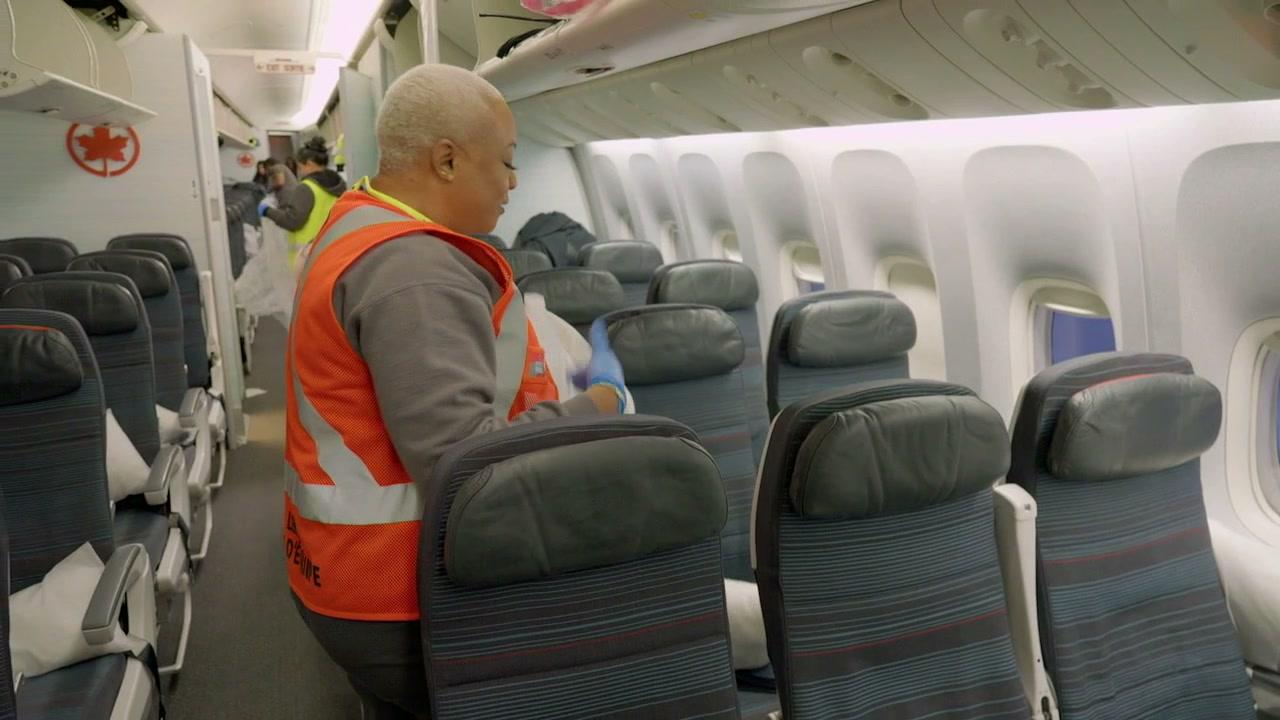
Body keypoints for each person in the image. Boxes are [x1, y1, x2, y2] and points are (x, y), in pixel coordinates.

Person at [284, 64, 628, 719]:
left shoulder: (357, 221)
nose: (513, 182)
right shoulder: (413, 271)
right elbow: (462, 459)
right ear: (446, 160)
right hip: (399, 587)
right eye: (507, 161)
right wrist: (599, 406)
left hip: (345, 567)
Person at [259, 138, 347, 267]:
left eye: (300, 167)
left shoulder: (306, 187)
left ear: (309, 164)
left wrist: (267, 211)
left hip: (308, 257)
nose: (299, 172)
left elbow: (292, 221)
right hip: (334, 250)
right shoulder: (340, 185)